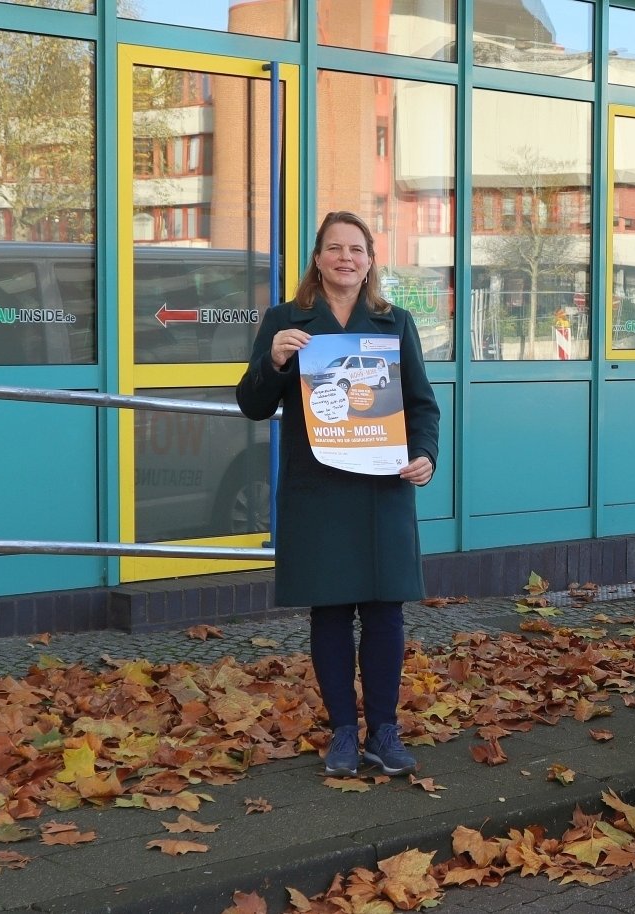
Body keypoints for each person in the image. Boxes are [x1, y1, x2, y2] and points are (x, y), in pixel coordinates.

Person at [237, 211, 441, 778]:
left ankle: (384, 730)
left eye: (356, 249)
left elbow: (421, 404)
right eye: (334, 249)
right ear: (318, 259)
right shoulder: (287, 320)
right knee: (329, 612)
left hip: (383, 489)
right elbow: (252, 404)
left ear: (370, 260)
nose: (345, 258)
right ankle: (343, 734)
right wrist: (273, 360)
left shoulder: (394, 322)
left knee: (384, 612)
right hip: (318, 489)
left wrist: (425, 454)